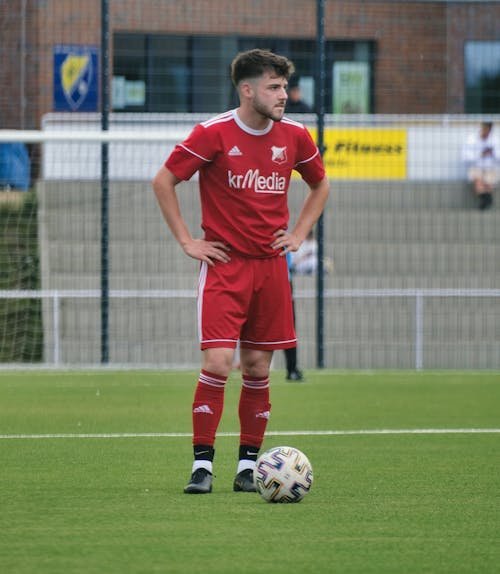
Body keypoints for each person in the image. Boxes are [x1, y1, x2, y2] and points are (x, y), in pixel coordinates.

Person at [152, 48, 329, 494]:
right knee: (218, 361)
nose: (283, 95)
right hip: (225, 267)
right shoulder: (213, 133)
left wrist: (300, 233)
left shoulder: (294, 135)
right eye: (274, 87)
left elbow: (320, 183)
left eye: (284, 86)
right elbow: (164, 181)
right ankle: (202, 466)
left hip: (271, 268)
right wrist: (187, 241)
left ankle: (248, 468)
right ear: (247, 90)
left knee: (256, 368)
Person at [462, 121, 500, 210]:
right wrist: (480, 154)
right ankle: (487, 200)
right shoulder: (471, 139)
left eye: (487, 129)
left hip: (491, 168)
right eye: (484, 128)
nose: (485, 131)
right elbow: (465, 157)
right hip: (476, 167)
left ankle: (485, 201)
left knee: (489, 181)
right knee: (478, 180)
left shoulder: (495, 140)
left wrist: (492, 152)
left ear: (490, 130)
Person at [284, 252, 303, 382]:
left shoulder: (282, 238)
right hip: (283, 282)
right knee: (289, 327)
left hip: (284, 281)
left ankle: (292, 369)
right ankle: (292, 370)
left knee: (288, 327)